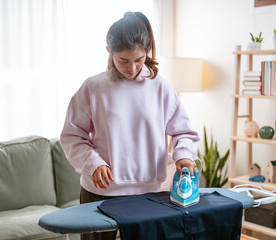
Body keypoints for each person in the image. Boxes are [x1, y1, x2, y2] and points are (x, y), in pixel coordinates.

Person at [60, 11, 200, 240]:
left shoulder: (160, 87)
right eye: (123, 60)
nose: (132, 68)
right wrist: (93, 163)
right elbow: (72, 136)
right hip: (100, 192)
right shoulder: (93, 88)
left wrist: (184, 155)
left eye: (139, 59)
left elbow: (182, 131)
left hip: (148, 193)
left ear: (147, 53)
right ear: (109, 52)